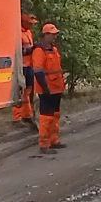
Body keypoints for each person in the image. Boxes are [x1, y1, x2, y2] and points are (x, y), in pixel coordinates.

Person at [31, 22, 67, 154]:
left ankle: (54, 140)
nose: (54, 37)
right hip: (46, 89)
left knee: (55, 115)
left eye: (55, 34)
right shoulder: (39, 51)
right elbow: (38, 71)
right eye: (52, 35)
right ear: (45, 35)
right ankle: (44, 145)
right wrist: (45, 88)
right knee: (46, 117)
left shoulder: (54, 49)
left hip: (56, 88)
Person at [12, 13, 39, 127]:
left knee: (28, 91)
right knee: (20, 91)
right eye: (30, 23)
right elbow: (19, 51)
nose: (32, 26)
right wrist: (32, 49)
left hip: (29, 65)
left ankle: (27, 115)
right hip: (21, 66)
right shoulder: (17, 34)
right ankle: (17, 118)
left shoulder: (28, 32)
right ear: (24, 22)